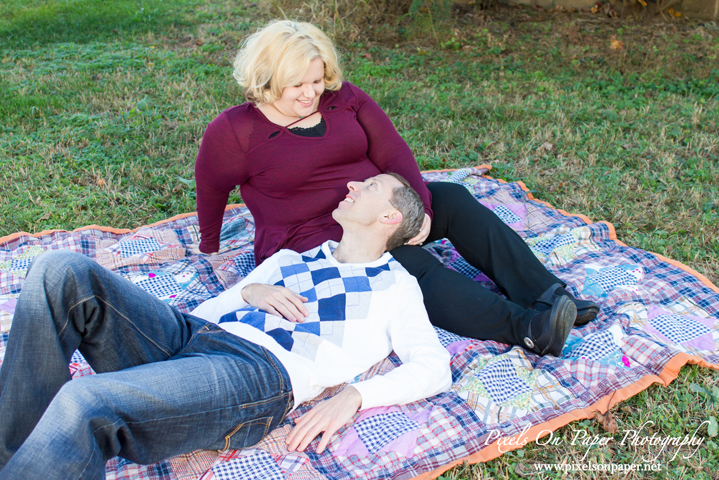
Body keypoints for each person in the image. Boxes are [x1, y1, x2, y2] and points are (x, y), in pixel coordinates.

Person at [0, 173, 475, 479]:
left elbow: (434, 367)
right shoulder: (291, 259)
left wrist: (355, 396)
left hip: (255, 375)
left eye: (369, 187)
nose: (353, 184)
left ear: (389, 217)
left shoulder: (395, 286)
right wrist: (252, 292)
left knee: (85, 401)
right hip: (192, 337)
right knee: (60, 269)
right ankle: (12, 453)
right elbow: (212, 311)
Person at [194, 20, 598, 356]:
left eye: (317, 80)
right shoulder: (236, 131)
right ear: (266, 79)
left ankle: (545, 293)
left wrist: (419, 209)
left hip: (378, 202)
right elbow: (210, 187)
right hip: (313, 237)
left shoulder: (344, 98)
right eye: (296, 84)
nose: (311, 93)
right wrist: (210, 246)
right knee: (401, 260)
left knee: (452, 198)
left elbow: (394, 153)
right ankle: (528, 327)